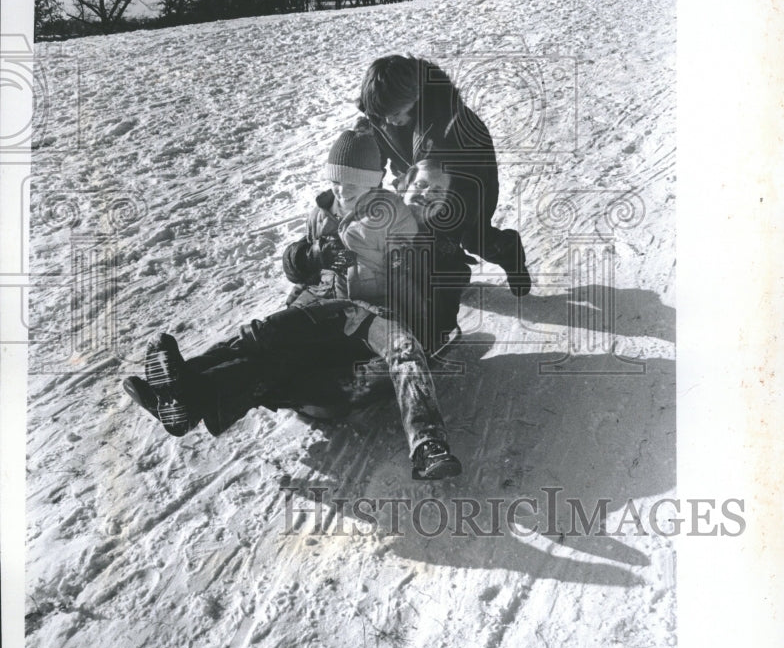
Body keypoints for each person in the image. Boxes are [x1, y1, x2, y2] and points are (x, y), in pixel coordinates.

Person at [123, 127, 467, 481]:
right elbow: (301, 265)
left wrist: (414, 272)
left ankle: (428, 444)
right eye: (420, 186)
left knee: (299, 341)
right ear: (399, 183)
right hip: (333, 319)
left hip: (374, 332)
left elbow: (436, 322)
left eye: (437, 191)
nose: (425, 196)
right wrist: (309, 259)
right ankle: (183, 397)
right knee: (274, 352)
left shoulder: (435, 248)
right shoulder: (345, 211)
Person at [357, 54, 532, 297]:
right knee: (410, 234)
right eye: (381, 114)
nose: (388, 120)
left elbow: (472, 184)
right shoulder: (381, 113)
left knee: (474, 238)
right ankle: (430, 287)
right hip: (414, 182)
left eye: (394, 113)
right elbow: (370, 157)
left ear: (415, 95)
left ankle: (509, 252)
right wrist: (362, 192)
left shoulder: (455, 124)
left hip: (468, 182)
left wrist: (450, 229)